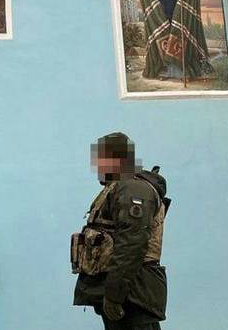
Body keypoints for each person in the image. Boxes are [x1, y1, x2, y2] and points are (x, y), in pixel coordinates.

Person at [72, 133, 169, 330]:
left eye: (101, 159)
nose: (98, 166)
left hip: (132, 296)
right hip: (126, 294)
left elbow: (132, 244)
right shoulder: (119, 188)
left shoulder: (132, 189)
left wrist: (114, 295)